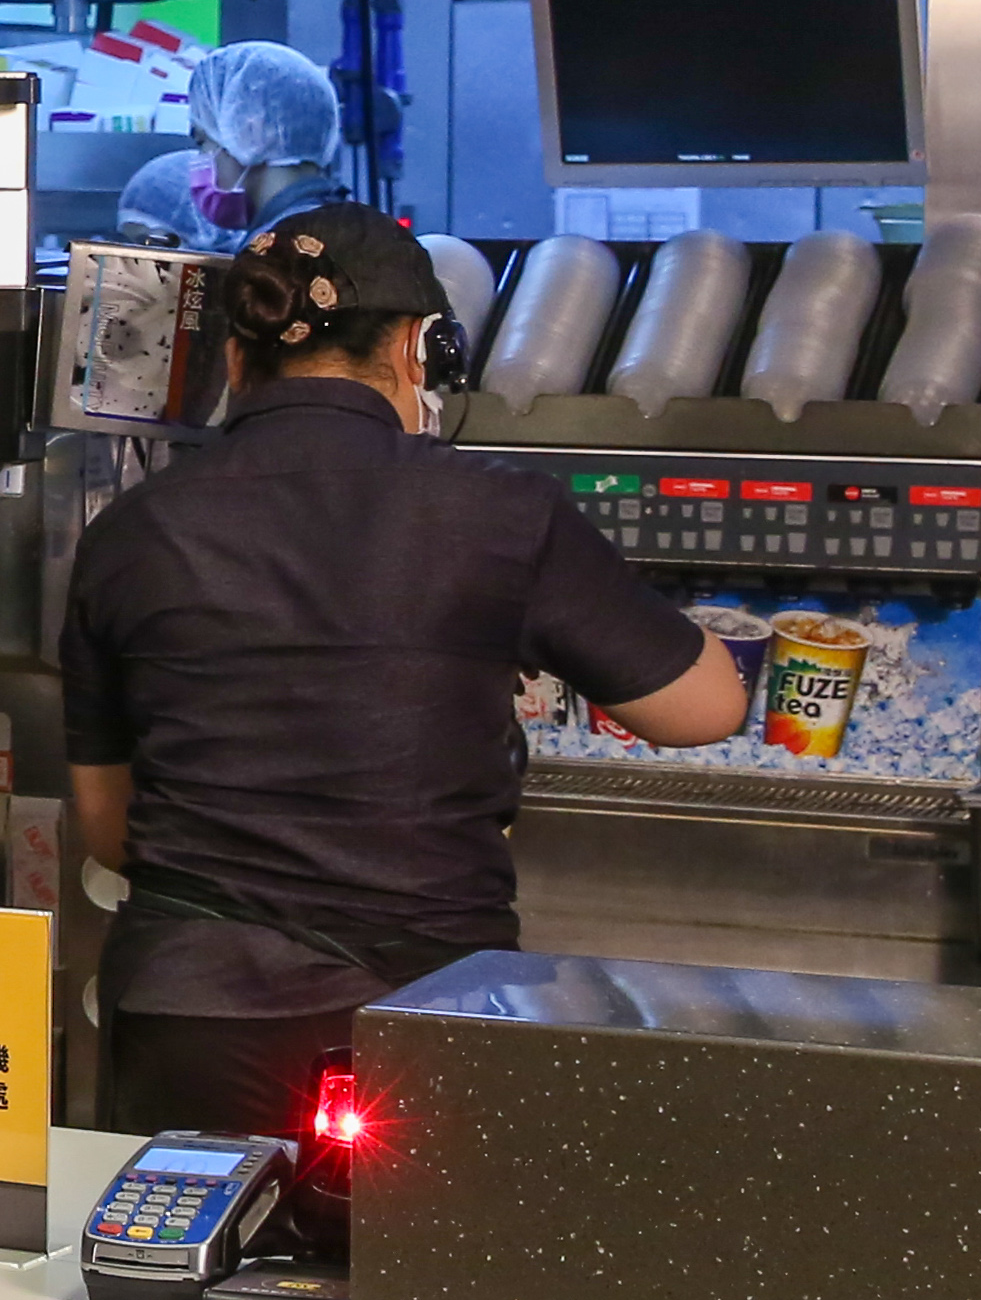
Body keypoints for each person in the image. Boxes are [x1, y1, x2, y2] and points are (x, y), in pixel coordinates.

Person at [60, 202, 751, 1139]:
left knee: (188, 1269)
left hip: (191, 1012)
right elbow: (706, 705)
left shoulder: (130, 532)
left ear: (235, 362)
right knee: (415, 1282)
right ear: (420, 352)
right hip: (426, 1009)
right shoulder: (501, 515)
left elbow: (108, 829)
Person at [105, 37, 348, 257]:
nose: (198, 161)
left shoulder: (278, 256)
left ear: (253, 130)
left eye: (202, 142)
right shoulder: (345, 229)